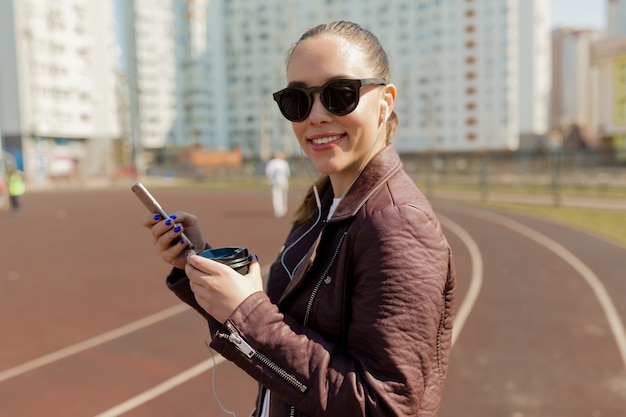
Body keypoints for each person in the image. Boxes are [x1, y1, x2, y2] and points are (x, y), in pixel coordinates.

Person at [142, 21, 456, 417]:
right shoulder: (323, 205)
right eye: (298, 100)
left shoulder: (396, 224)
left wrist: (247, 314)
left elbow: (383, 405)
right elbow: (283, 342)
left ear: (385, 101)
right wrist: (199, 264)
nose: (317, 116)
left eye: (340, 94)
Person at [265, 152, 291, 217]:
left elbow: (268, 173)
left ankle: (278, 210)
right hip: (283, 181)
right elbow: (288, 173)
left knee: (277, 196)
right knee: (282, 195)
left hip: (275, 182)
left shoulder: (271, 163)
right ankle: (283, 209)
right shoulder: (284, 163)